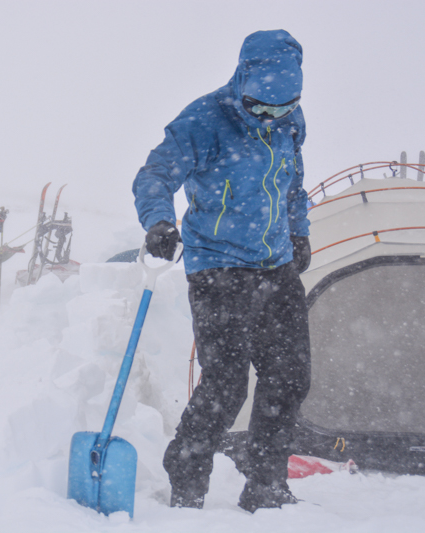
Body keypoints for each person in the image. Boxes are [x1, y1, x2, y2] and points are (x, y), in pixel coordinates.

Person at [132, 29, 312, 513]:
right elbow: (155, 174)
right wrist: (159, 221)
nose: (272, 118)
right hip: (219, 268)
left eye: (283, 107)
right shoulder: (204, 120)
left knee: (290, 377)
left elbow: (293, 184)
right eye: (262, 108)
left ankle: (267, 483)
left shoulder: (290, 120)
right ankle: (187, 477)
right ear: (243, 81)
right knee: (227, 382)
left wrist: (299, 231)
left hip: (275, 265)